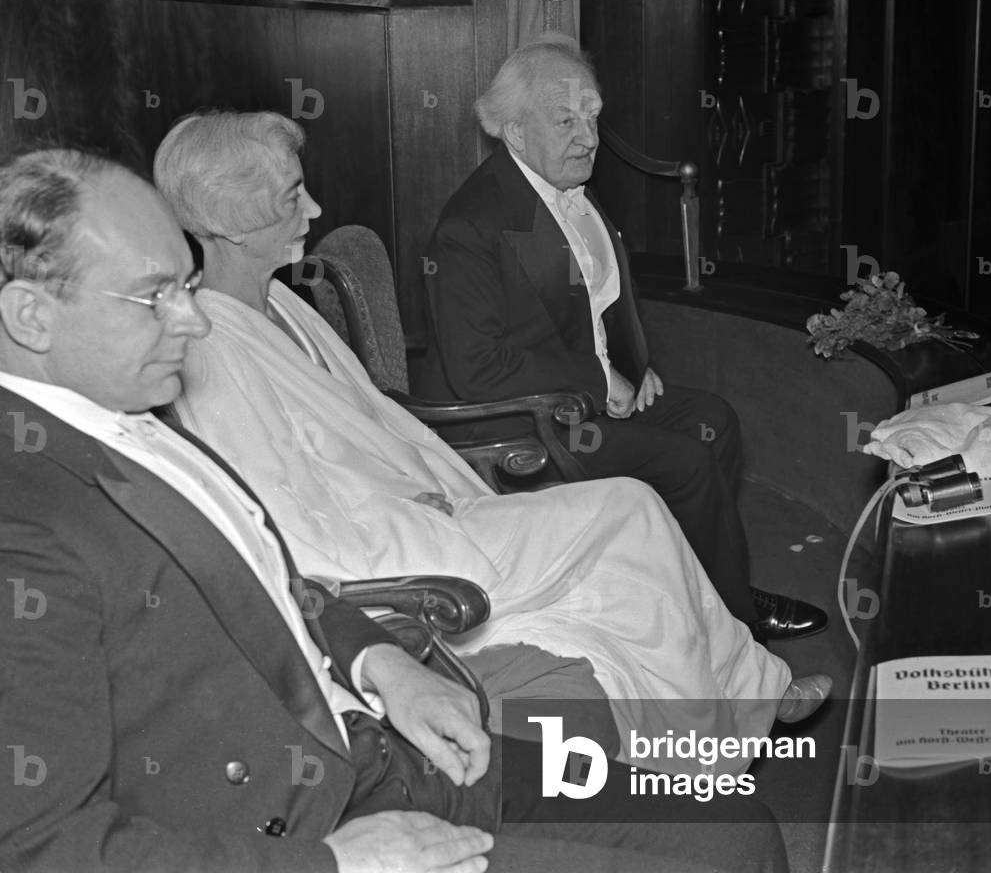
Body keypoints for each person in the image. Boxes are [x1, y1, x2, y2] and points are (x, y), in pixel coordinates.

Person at [0, 148, 790, 873]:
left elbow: (273, 579)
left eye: (186, 285)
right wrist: (336, 864)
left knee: (735, 827)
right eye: (154, 296)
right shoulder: (25, 527)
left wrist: (380, 663)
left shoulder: (125, 413)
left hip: (377, 751)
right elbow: (40, 850)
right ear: (31, 317)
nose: (197, 320)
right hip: (299, 829)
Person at [152, 109, 830, 778]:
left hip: (428, 504)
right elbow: (277, 514)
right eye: (293, 195)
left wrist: (435, 484)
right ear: (230, 219)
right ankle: (724, 726)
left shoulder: (285, 304)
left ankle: (729, 714)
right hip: (388, 548)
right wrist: (414, 509)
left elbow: (375, 422)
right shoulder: (208, 341)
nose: (316, 208)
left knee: (629, 540)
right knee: (632, 511)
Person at [417, 34, 826, 641]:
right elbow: (478, 367)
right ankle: (734, 624)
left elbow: (595, 301)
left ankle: (697, 593)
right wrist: (597, 379)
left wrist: (634, 365)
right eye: (565, 120)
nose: (588, 137)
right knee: (685, 461)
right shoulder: (470, 226)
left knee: (714, 419)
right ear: (514, 132)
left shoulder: (563, 188)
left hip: (582, 391)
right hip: (519, 418)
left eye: (592, 117)